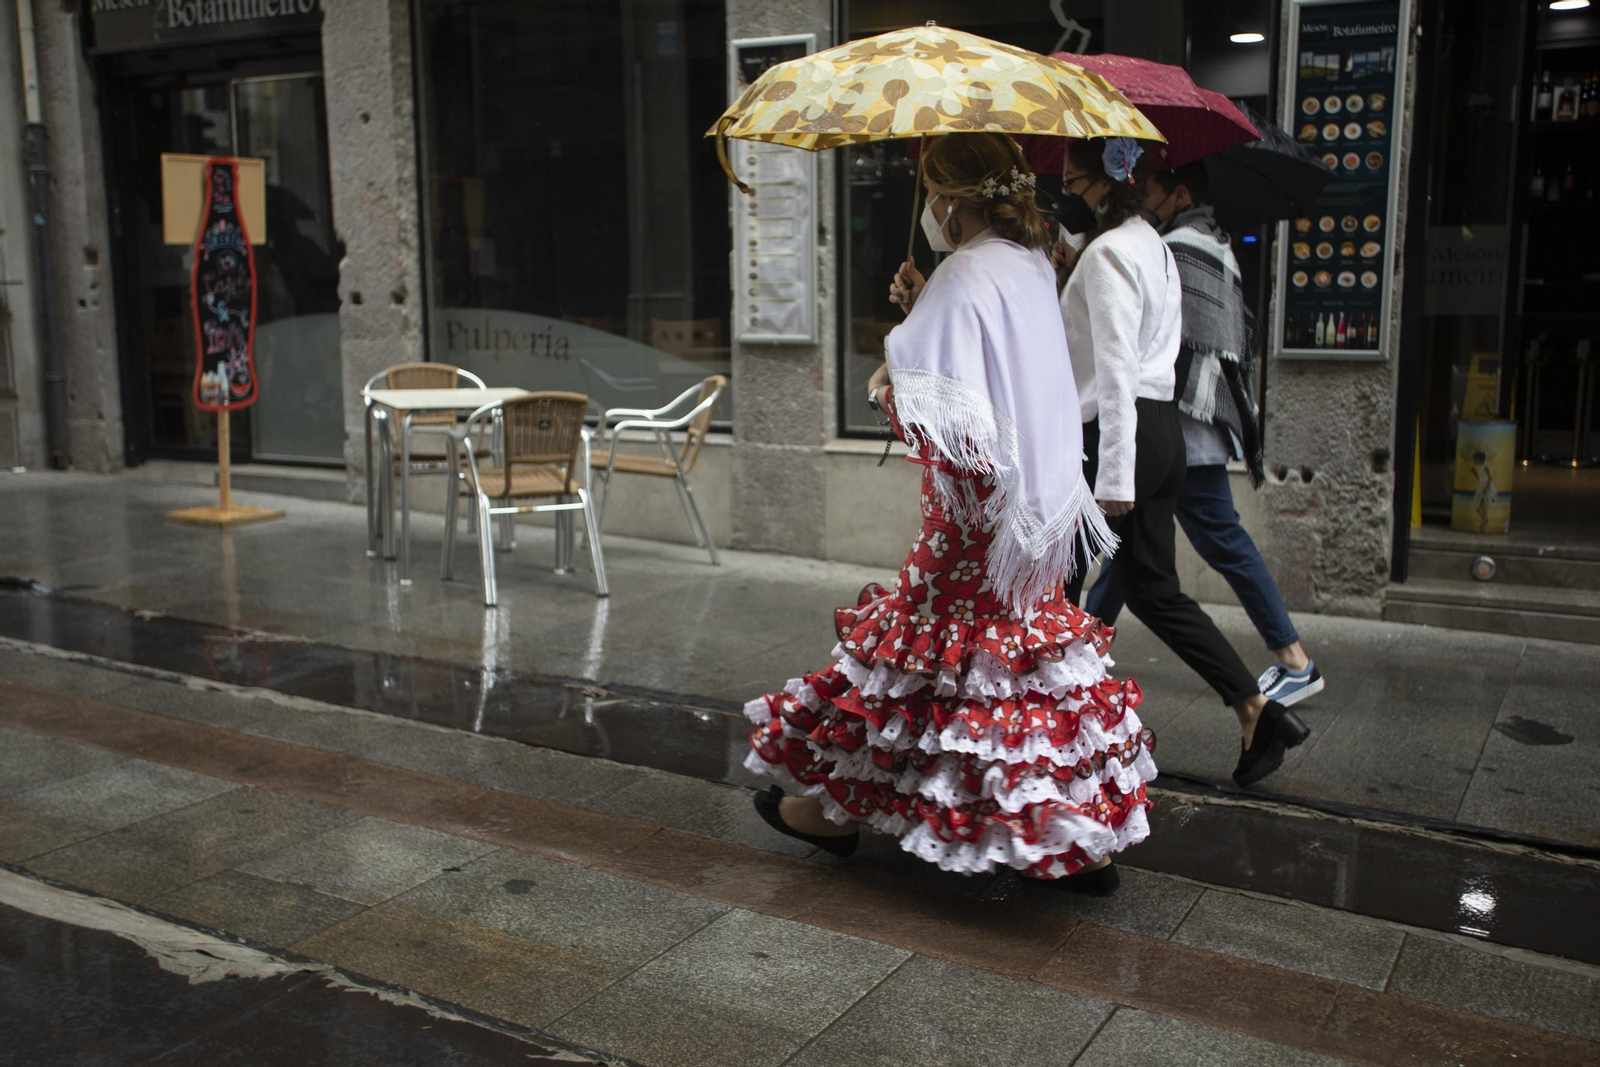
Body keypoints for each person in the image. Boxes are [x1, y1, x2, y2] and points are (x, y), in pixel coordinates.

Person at [745, 133, 1153, 895]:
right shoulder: (1028, 262)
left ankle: (833, 813)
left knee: (919, 657)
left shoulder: (965, 273)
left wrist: (887, 374)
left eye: (931, 190)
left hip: (972, 514)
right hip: (1032, 508)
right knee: (1013, 658)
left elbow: (942, 418)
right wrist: (921, 303)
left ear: (950, 200)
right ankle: (1071, 837)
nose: (928, 207)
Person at [1056, 137, 1308, 787]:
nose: (1067, 195)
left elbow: (1113, 370)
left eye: (1075, 183)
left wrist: (1112, 473)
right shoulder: (1152, 247)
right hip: (1160, 428)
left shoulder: (1111, 253)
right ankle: (1255, 707)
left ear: (1107, 184)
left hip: (1118, 434)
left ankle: (1054, 736)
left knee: (1061, 584)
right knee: (1149, 589)